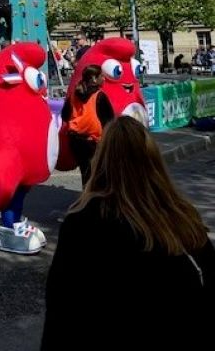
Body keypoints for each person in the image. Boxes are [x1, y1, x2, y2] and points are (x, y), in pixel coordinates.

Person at [42, 116, 215, 350]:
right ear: (152, 162)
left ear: (102, 161)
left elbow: (60, 305)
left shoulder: (82, 221)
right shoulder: (178, 213)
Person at [61, 64, 114, 185]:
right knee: (100, 175)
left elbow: (64, 115)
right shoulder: (99, 96)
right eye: (101, 76)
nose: (104, 79)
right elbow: (109, 120)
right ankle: (97, 201)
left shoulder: (74, 95)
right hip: (94, 141)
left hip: (76, 140)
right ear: (93, 79)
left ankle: (87, 199)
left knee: (86, 173)